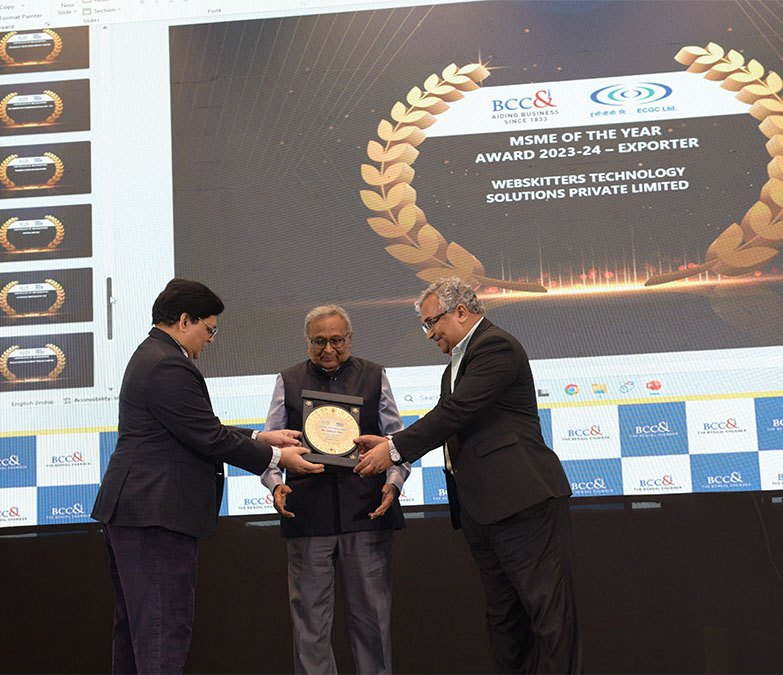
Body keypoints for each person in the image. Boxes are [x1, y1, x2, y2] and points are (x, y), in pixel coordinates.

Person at [91, 278, 323, 674]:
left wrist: (259, 436)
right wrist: (276, 455)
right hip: (155, 516)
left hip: (139, 513)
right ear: (185, 320)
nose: (211, 340)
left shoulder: (153, 355)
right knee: (163, 631)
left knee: (139, 631)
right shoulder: (167, 363)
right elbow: (206, 436)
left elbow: (194, 426)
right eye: (209, 329)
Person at [354, 277, 581, 674]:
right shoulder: (453, 369)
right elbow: (450, 423)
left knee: (550, 617)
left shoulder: (496, 346)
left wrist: (392, 449)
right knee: (504, 623)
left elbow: (453, 414)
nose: (428, 334)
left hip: (523, 503)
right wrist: (391, 440)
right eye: (425, 326)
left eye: (431, 322)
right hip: (483, 512)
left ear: (461, 311)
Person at [261, 305, 410, 674]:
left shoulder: (375, 376)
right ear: (307, 341)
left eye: (337, 340)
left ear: (350, 338)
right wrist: (275, 484)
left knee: (373, 623)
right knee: (309, 626)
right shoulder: (288, 380)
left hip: (368, 510)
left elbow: (399, 442)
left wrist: (394, 483)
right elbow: (272, 445)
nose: (329, 349)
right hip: (307, 514)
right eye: (319, 342)